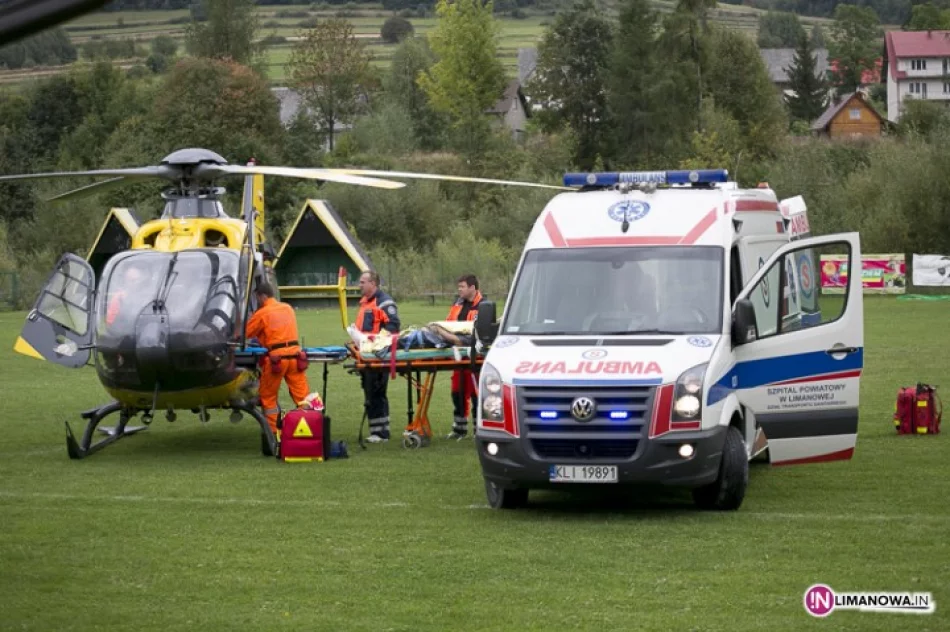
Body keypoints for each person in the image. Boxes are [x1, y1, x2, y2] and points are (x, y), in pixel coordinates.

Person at [244, 281, 310, 440]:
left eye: (257, 298)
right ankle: (310, 427)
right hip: (295, 358)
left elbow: (246, 333)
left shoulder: (262, 313)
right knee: (303, 396)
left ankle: (274, 434)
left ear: (262, 296)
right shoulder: (287, 308)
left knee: (268, 397)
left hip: (276, 361)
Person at [356, 269, 400, 443]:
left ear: (373, 284)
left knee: (377, 391)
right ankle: (376, 430)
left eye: (362, 282)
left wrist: (375, 341)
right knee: (370, 392)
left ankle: (381, 433)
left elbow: (393, 326)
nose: (360, 285)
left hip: (378, 355)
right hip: (367, 354)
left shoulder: (384, 303)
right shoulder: (366, 303)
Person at [445, 274, 482, 440]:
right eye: (458, 287)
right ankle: (459, 428)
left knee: (476, 393)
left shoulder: (483, 306)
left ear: (472, 287)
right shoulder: (457, 304)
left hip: (475, 356)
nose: (459, 290)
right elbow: (448, 323)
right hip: (458, 355)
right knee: (457, 391)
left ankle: (478, 429)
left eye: (462, 287)